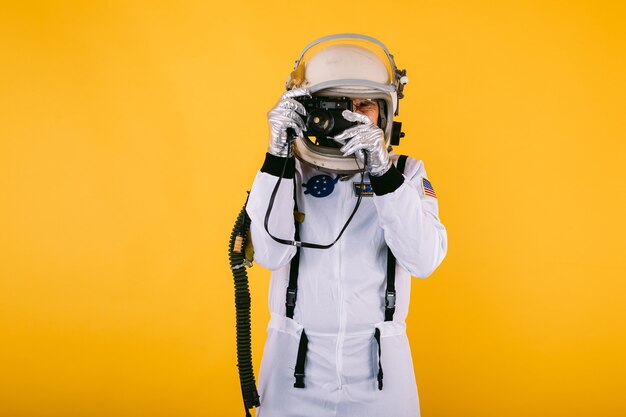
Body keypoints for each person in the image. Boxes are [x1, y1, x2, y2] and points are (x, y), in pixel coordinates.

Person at [245, 34, 448, 417]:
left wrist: (382, 173)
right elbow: (271, 254)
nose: (351, 115)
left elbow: (423, 261)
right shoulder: (289, 171)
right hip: (294, 360)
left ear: (386, 112)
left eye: (365, 104)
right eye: (336, 105)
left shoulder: (405, 174)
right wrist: (277, 157)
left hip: (380, 365)